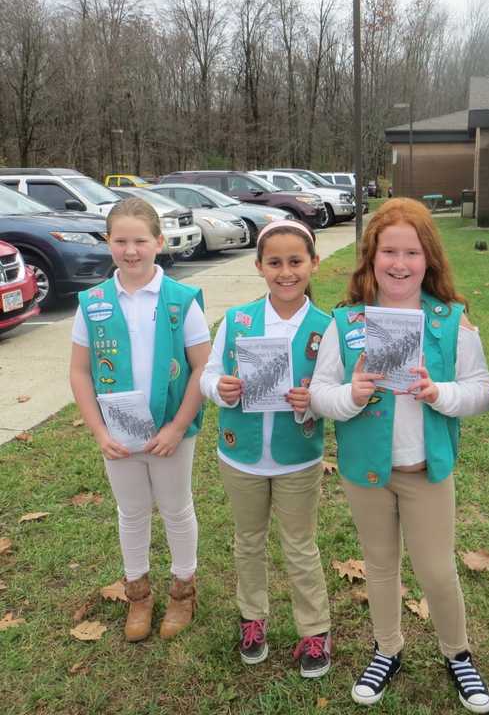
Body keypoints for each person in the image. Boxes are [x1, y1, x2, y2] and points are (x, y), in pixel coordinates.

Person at [310, 198, 489, 713]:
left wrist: (441, 394)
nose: (399, 263)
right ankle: (387, 647)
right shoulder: (345, 322)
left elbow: (480, 390)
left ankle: (456, 652)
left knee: (436, 569)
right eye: (387, 251)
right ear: (370, 259)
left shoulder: (450, 320)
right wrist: (354, 393)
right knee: (380, 565)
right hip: (368, 471)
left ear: (428, 260)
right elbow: (321, 393)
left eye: (410, 252)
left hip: (425, 469)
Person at [69, 197, 210, 642]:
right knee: (131, 512)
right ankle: (139, 595)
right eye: (120, 241)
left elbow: (202, 368)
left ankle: (183, 591)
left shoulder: (181, 300)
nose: (131, 251)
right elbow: (79, 370)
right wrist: (98, 431)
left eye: (141, 241)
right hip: (119, 435)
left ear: (159, 242)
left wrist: (175, 427)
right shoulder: (93, 303)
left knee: (175, 508)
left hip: (171, 432)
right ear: (108, 242)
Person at [200, 220, 332, 678]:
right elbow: (208, 374)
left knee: (300, 544)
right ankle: (252, 618)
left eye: (296, 262)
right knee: (248, 541)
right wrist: (223, 388)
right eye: (274, 263)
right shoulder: (238, 321)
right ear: (259, 267)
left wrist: (311, 397)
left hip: (299, 456)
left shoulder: (326, 327)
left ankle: (314, 629)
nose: (286, 272)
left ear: (313, 264)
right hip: (242, 455)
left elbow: (336, 391)